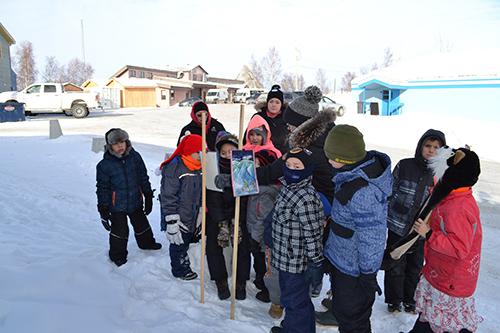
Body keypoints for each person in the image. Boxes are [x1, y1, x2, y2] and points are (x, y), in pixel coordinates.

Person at [316, 125, 392, 333]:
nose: (329, 161)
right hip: (343, 259)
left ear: (346, 158)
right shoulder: (350, 175)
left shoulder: (363, 192)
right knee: (343, 311)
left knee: (353, 321)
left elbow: (373, 237)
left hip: (355, 271)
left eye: (332, 157)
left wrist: (367, 275)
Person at [409, 147, 483, 333]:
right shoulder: (453, 196)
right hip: (440, 271)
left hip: (451, 280)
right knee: (430, 316)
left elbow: (459, 248)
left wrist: (429, 233)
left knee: (449, 323)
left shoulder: (458, 208)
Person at [384, 129, 446, 313]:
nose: (431, 150)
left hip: (421, 230)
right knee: (395, 262)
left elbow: (440, 204)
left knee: (415, 266)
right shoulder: (405, 165)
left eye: (436, 147)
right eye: (428, 146)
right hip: (398, 225)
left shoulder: (440, 174)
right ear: (421, 146)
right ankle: (394, 300)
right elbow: (390, 190)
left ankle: (410, 298)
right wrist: (393, 208)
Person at [270, 148, 324, 333]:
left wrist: (315, 262)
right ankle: (292, 328)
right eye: (288, 165)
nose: (292, 170)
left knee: (294, 302)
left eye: (297, 166)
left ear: (307, 170)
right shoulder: (288, 188)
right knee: (293, 299)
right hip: (284, 259)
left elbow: (313, 234)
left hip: (297, 263)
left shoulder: (306, 197)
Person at [256, 85, 336, 203]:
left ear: (301, 125)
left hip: (320, 200)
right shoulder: (325, 136)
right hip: (329, 196)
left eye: (290, 124)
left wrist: (243, 175)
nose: (287, 127)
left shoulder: (306, 150)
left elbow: (272, 172)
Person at [96, 128, 161, 267]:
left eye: (122, 142)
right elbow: (102, 189)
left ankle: (147, 243)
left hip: (135, 200)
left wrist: (148, 195)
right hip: (116, 205)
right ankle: (117, 255)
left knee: (142, 224)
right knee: (120, 231)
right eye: (116, 143)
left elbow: (143, 177)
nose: (120, 146)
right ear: (109, 146)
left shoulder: (135, 157)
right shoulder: (104, 165)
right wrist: (103, 209)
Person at [206, 131, 251, 300]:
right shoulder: (212, 168)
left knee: (242, 247)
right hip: (218, 215)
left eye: (231, 152)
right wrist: (221, 221)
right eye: (223, 153)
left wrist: (236, 220)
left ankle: (241, 281)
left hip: (238, 214)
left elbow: (247, 197)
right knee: (213, 246)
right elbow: (211, 197)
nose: (226, 156)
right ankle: (220, 280)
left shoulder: (244, 166)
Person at [159, 134, 203, 280]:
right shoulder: (175, 167)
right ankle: (179, 270)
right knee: (178, 244)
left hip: (192, 214)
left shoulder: (199, 167)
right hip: (179, 217)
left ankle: (186, 260)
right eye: (198, 152)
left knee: (186, 242)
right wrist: (171, 221)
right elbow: (168, 195)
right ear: (189, 150)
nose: (201, 155)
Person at [246, 149, 281, 303]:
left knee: (264, 262)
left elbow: (263, 218)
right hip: (255, 230)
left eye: (257, 165)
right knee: (259, 259)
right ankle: (261, 281)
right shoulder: (257, 186)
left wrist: (254, 236)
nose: (253, 168)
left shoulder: (266, 193)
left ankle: (267, 289)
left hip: (260, 236)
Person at [249, 84, 289, 154]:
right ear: (267, 103)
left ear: (281, 104)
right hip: (260, 155)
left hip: (282, 156)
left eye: (277, 102)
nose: (273, 105)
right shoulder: (258, 117)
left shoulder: (287, 118)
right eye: (271, 101)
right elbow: (248, 137)